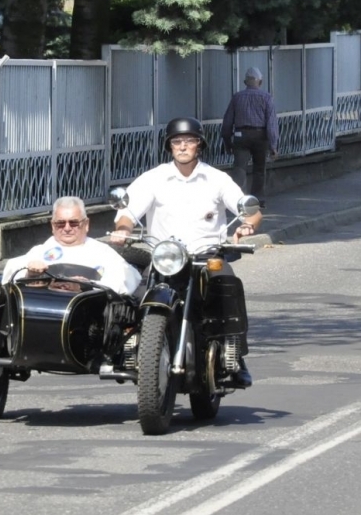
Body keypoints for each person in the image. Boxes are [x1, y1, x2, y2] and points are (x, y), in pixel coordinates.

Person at [110, 117, 260, 385]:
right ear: (169, 146)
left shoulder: (217, 179)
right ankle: (130, 346)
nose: (182, 146)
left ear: (199, 145)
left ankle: (236, 356)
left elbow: (249, 209)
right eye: (176, 141)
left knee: (227, 286)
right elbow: (128, 212)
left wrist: (246, 225)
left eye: (189, 141)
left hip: (206, 256)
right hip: (165, 258)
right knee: (132, 289)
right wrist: (123, 229)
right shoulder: (154, 178)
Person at [2, 196, 140, 296]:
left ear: (86, 224)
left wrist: (89, 285)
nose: (67, 228)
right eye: (60, 223)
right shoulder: (40, 251)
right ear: (52, 226)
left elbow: (126, 277)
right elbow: (11, 272)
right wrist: (29, 272)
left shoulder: (102, 252)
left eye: (73, 223)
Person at [219, 67, 279, 203]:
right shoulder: (267, 98)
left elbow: (227, 122)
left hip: (241, 136)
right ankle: (258, 201)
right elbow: (271, 123)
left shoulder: (237, 97)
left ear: (245, 82)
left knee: (239, 168)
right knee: (259, 169)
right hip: (260, 136)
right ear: (260, 82)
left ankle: (237, 200)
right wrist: (273, 145)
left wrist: (227, 142)